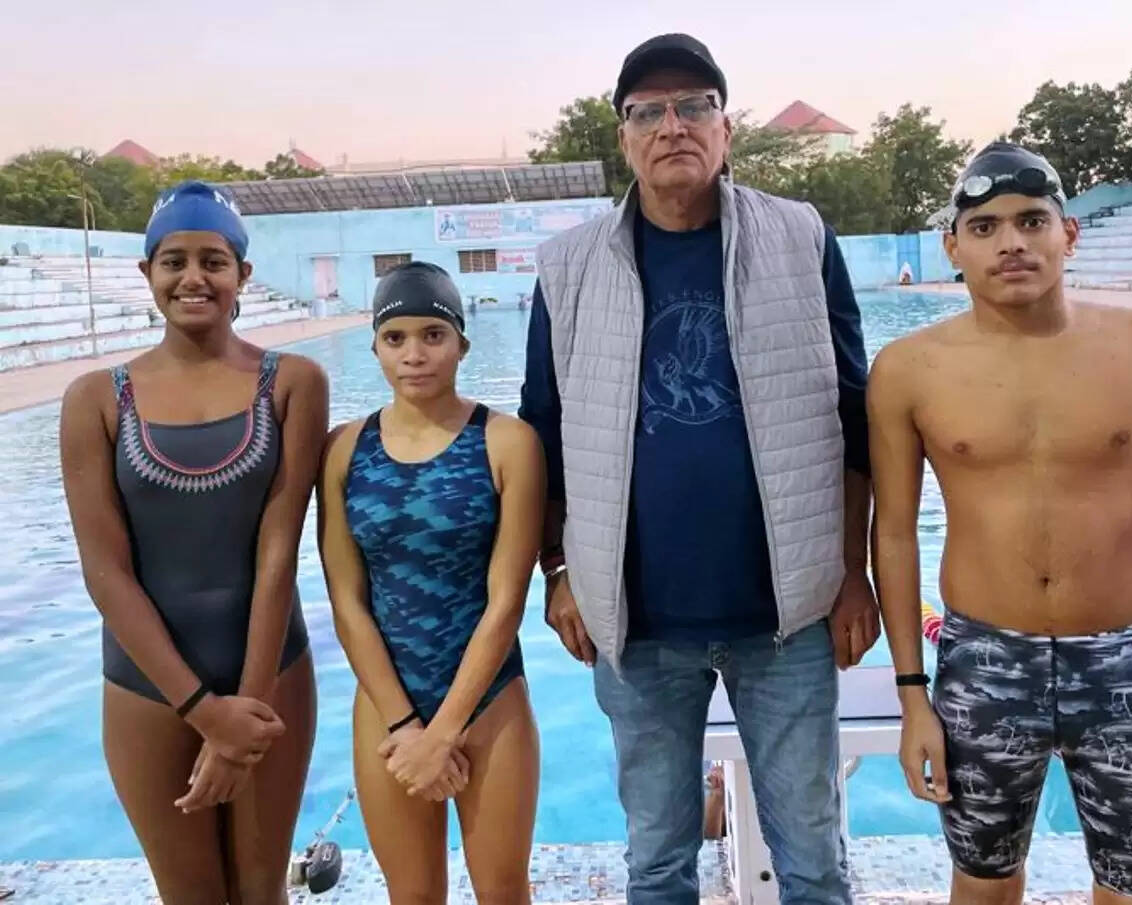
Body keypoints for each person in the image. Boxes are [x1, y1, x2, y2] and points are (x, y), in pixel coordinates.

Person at [519, 33, 877, 905]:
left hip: (785, 618)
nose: (672, 125)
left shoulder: (800, 236)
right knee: (657, 864)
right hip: (636, 624)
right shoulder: (569, 267)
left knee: (816, 865)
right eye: (649, 111)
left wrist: (853, 571)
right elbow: (541, 433)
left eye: (694, 106)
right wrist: (559, 569)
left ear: (726, 128)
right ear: (624, 137)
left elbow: (854, 413)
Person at [869, 142, 1132, 905]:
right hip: (983, 662)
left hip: (1124, 664)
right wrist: (914, 697)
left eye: (1031, 220)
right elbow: (894, 536)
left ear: (1067, 234)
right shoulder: (909, 370)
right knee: (983, 884)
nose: (1010, 242)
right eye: (984, 227)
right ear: (953, 247)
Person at [59, 181, 328, 905]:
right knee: (190, 895)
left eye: (213, 259)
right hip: (146, 688)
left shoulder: (293, 382)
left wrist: (244, 704)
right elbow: (105, 571)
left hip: (270, 674)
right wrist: (204, 711)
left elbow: (279, 553)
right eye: (172, 260)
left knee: (261, 890)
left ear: (243, 275)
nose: (193, 277)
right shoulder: (95, 398)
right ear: (146, 275)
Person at [318, 262, 542, 904]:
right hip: (388, 711)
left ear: (462, 344)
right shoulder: (343, 450)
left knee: (502, 890)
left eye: (433, 335)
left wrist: (443, 732)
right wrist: (407, 726)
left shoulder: (507, 443)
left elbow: (506, 603)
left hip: (488, 701)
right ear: (376, 348)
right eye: (396, 339)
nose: (414, 354)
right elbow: (347, 602)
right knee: (411, 895)